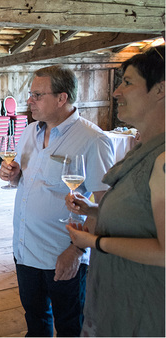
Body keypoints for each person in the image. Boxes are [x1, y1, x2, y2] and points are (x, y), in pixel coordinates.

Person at [0, 65, 115, 336]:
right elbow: (26, 181)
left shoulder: (92, 139)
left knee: (69, 327)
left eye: (37, 95)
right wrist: (14, 175)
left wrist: (76, 252)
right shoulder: (30, 132)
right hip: (25, 251)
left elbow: (107, 206)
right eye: (30, 94)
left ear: (61, 98)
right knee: (36, 323)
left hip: (61, 255)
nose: (29, 100)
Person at [65, 46, 165, 336]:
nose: (116, 92)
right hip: (115, 301)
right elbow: (144, 215)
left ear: (161, 90)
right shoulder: (143, 149)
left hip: (144, 310)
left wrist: (93, 241)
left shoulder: (163, 160)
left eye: (128, 82)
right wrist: (95, 210)